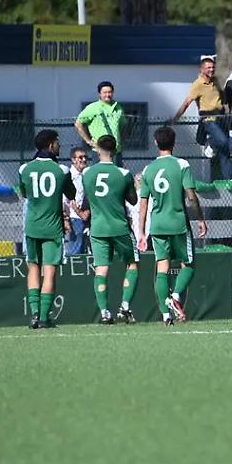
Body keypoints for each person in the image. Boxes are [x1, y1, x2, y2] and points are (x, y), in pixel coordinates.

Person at [137, 126, 207, 326]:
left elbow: (143, 203)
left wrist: (141, 232)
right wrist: (200, 218)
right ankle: (175, 296)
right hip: (178, 224)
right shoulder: (182, 164)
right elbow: (191, 195)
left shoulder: (148, 169)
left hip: (157, 225)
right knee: (189, 265)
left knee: (162, 268)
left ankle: (166, 315)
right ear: (174, 143)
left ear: (156, 143)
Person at [18, 129, 75, 328]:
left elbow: (24, 193)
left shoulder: (24, 168)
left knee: (33, 267)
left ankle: (34, 314)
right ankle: (43, 318)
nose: (59, 146)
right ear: (51, 145)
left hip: (32, 226)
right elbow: (71, 193)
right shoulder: (62, 170)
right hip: (52, 228)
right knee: (49, 272)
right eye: (57, 143)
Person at [83, 135, 140, 324]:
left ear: (97, 150)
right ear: (115, 151)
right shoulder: (123, 174)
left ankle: (105, 312)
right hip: (119, 227)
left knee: (101, 269)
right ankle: (125, 306)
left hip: (97, 228)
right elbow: (133, 200)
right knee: (132, 264)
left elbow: (89, 199)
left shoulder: (87, 173)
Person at [170, 54, 232, 181]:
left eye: (213, 67)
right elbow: (187, 102)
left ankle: (228, 179)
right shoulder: (197, 84)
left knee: (226, 150)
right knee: (223, 141)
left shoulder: (215, 81)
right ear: (202, 69)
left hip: (221, 118)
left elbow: (221, 94)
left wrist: (227, 106)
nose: (211, 70)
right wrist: (175, 118)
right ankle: (210, 143)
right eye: (208, 67)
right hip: (209, 120)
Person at [75, 81, 125, 164]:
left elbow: (123, 125)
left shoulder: (118, 107)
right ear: (99, 94)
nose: (108, 95)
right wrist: (88, 141)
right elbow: (78, 124)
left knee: (117, 175)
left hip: (116, 151)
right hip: (99, 151)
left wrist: (121, 141)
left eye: (110, 92)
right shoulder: (93, 107)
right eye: (105, 92)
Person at [64, 147, 91, 256]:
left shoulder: (86, 175)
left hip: (86, 217)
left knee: (85, 249)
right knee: (75, 251)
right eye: (80, 157)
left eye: (85, 157)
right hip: (74, 219)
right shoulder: (69, 176)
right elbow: (63, 199)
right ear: (73, 160)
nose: (84, 160)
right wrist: (66, 219)